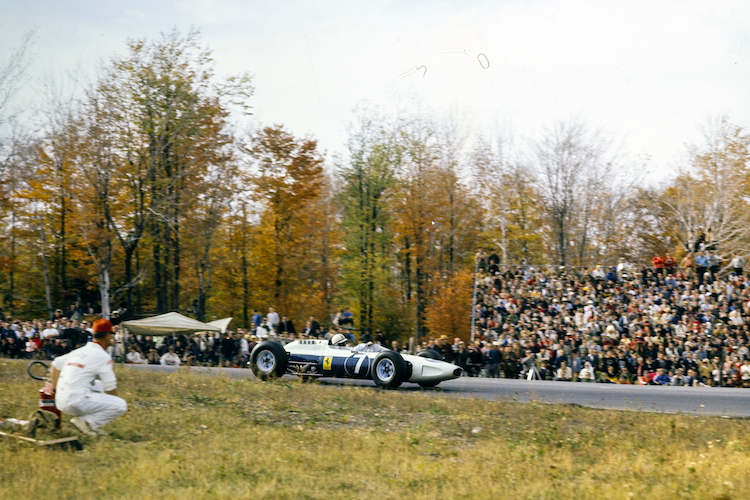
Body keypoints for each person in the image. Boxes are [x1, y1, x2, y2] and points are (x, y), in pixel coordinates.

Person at [50, 318, 127, 436]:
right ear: (107, 336)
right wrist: (114, 404)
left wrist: (55, 389)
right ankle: (86, 422)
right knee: (121, 405)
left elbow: (55, 364)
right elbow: (110, 388)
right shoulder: (103, 356)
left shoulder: (80, 351)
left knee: (98, 385)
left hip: (60, 401)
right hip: (75, 402)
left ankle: (88, 421)